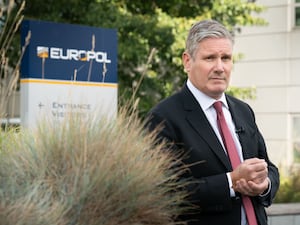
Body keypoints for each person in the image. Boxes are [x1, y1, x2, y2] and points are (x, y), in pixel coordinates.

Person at [145, 19, 280, 225]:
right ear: (187, 61)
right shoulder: (163, 117)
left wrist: (265, 183)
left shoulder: (243, 110)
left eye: (225, 58)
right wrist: (230, 182)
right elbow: (166, 192)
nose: (219, 67)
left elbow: (268, 167)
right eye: (210, 58)